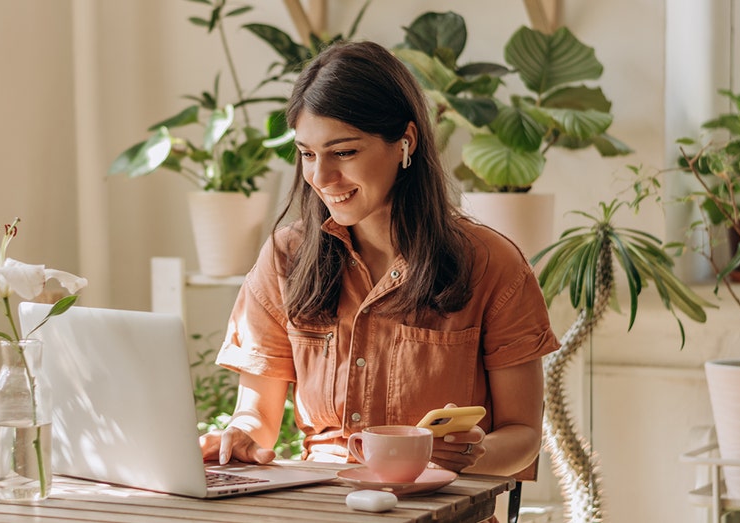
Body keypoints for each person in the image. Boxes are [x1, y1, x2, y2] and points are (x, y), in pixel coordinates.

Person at [199, 40, 559, 484]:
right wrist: (238, 436)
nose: (321, 177)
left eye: (344, 152)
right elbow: (256, 415)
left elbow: (523, 435)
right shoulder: (284, 258)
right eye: (308, 154)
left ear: (405, 142)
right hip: (323, 505)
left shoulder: (491, 263)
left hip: (438, 508)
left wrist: (471, 452)